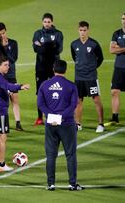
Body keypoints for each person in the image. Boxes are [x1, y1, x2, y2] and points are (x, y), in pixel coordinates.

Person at [37, 59, 83, 191]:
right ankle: (72, 184)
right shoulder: (71, 85)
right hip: (67, 124)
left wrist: (51, 116)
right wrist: (61, 116)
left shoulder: (45, 85)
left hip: (51, 124)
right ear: (66, 70)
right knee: (70, 154)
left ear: (53, 69)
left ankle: (51, 184)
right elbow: (74, 104)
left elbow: (41, 104)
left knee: (51, 155)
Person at [0, 56, 29, 172]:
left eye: (8, 65)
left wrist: (6, 93)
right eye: (5, 65)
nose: (8, 67)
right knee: (2, 137)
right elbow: (8, 86)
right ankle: (1, 164)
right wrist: (20, 86)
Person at [70, 21, 105, 133]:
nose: (83, 33)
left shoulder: (94, 44)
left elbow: (100, 58)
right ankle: (78, 123)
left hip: (91, 78)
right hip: (79, 77)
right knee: (78, 100)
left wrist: (92, 68)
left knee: (96, 100)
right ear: (78, 30)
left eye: (85, 30)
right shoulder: (74, 44)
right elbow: (75, 57)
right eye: (81, 30)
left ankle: (101, 124)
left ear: (88, 30)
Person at [0, 22, 23, 131]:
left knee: (14, 100)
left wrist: (6, 47)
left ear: (6, 31)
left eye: (3, 33)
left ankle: (18, 123)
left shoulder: (13, 43)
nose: (2, 36)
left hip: (11, 76)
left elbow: (13, 59)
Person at [33, 13, 63, 126]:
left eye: (48, 22)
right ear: (42, 22)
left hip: (54, 67)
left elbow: (58, 49)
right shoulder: (37, 33)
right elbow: (36, 49)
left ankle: (54, 117)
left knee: (55, 91)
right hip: (40, 67)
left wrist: (43, 46)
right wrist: (50, 45)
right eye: (45, 22)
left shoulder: (58, 34)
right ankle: (40, 117)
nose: (46, 24)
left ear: (52, 22)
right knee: (40, 91)